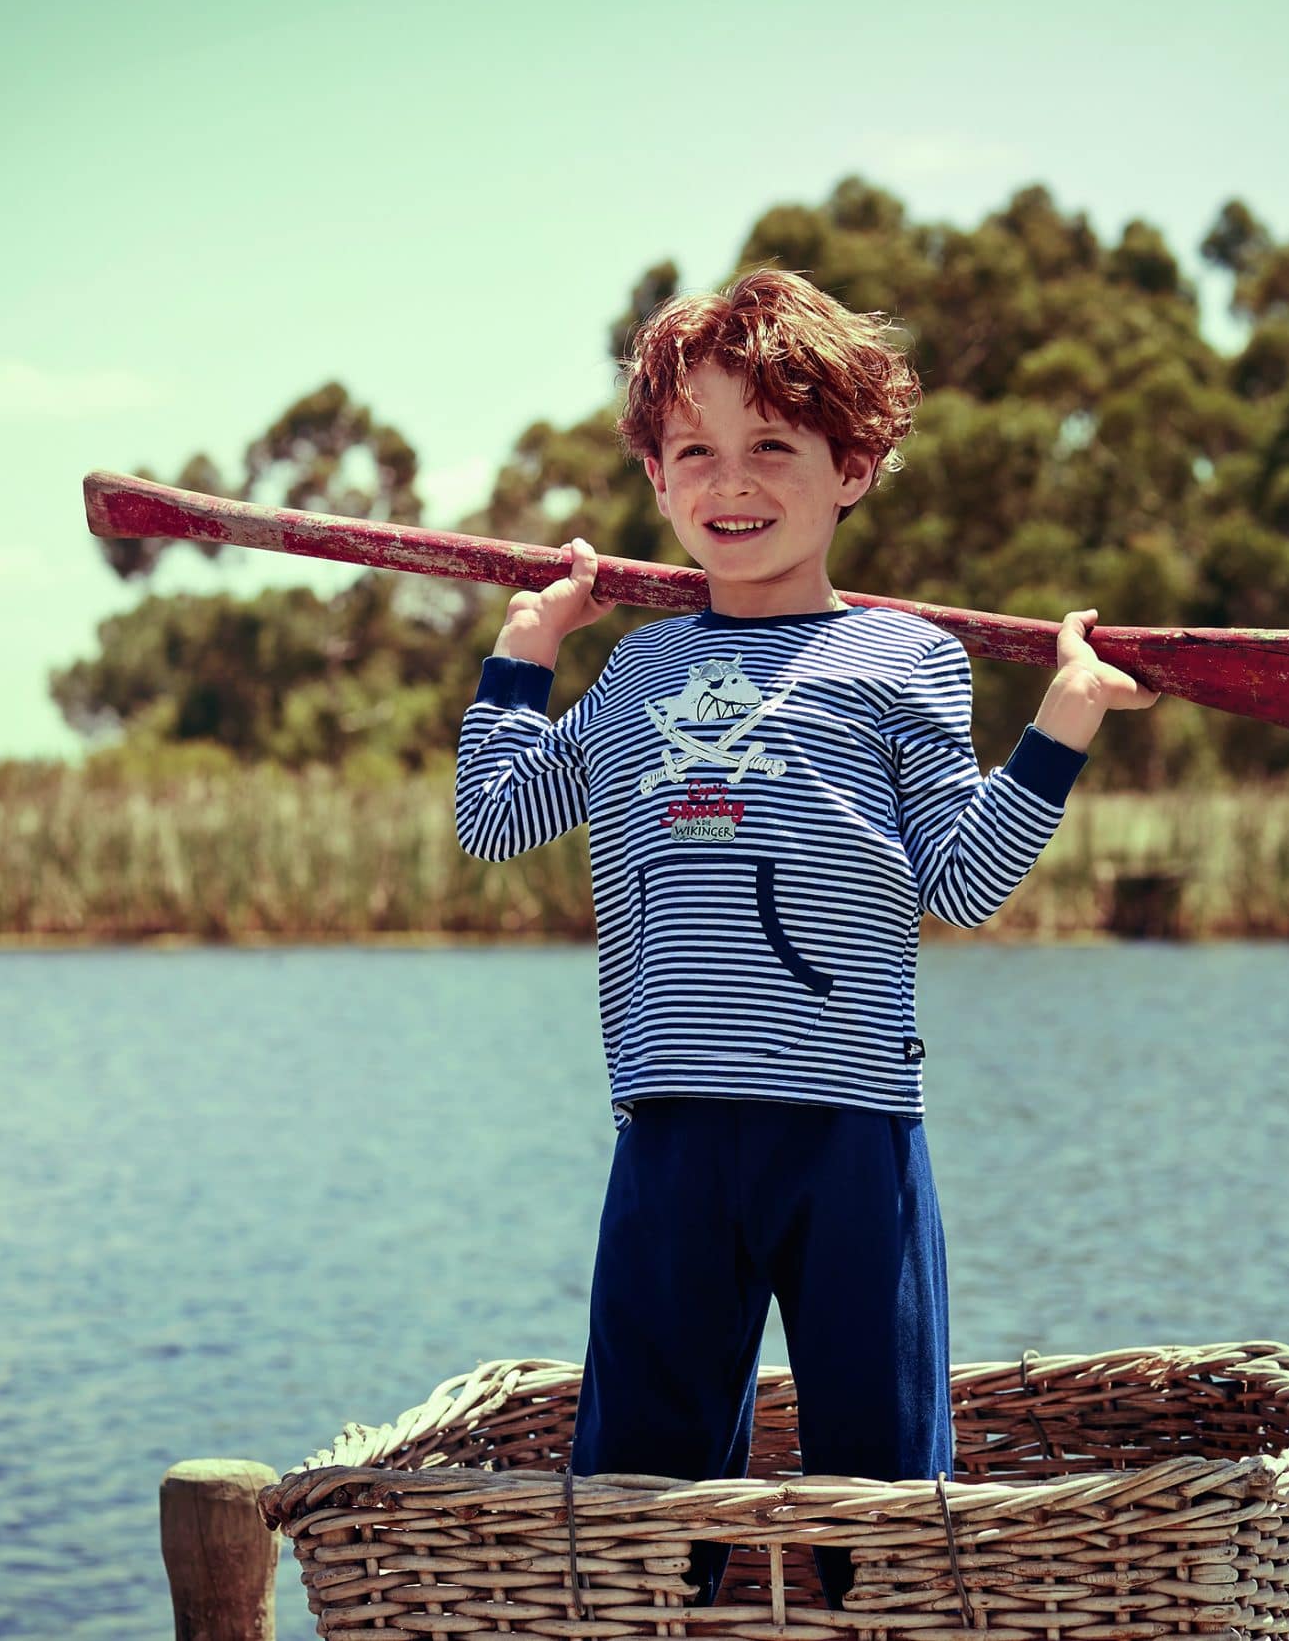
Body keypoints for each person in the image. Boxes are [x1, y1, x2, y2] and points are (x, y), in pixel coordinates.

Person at [453, 266, 1156, 1609]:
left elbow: (962, 878)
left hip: (849, 1130)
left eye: (773, 445)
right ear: (659, 482)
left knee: (884, 1496)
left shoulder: (906, 661)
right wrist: (528, 645)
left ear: (853, 469)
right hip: (670, 1127)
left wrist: (1062, 726)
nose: (734, 479)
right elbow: (495, 816)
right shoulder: (643, 669)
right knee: (643, 1498)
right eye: (697, 451)